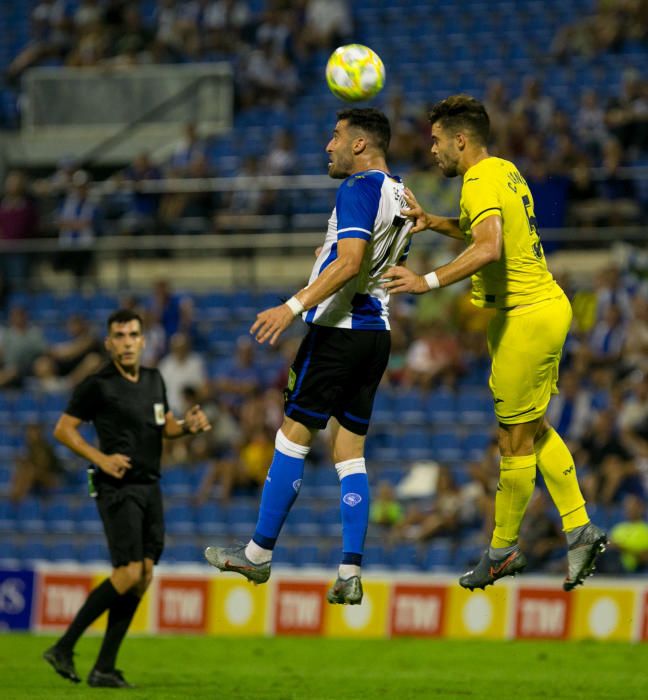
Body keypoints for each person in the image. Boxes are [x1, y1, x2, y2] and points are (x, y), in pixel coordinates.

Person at [383, 94, 606, 592]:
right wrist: (434, 223)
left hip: (525, 317)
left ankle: (503, 550)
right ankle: (580, 527)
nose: (432, 150)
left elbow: (489, 246)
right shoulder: (503, 170)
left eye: (437, 141)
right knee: (533, 429)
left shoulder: (478, 179)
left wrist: (427, 282)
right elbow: (483, 231)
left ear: (460, 140)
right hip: (538, 310)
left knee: (513, 442)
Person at [204, 107, 413, 605]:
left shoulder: (359, 188)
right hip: (376, 333)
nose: (328, 146)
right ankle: (350, 569)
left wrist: (292, 305)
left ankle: (256, 555)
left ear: (361, 145)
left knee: (292, 438)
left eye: (336, 136)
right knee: (349, 451)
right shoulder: (404, 193)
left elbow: (350, 261)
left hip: (337, 331)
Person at [43, 309, 210, 688]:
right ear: (108, 343)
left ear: (143, 339)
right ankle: (63, 647)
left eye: (133, 334)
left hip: (151, 484)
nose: (127, 341)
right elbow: (63, 429)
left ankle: (104, 667)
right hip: (116, 487)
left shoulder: (153, 379)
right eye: (119, 335)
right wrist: (100, 458)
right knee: (129, 571)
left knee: (144, 575)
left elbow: (164, 424)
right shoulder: (97, 384)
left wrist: (188, 427)